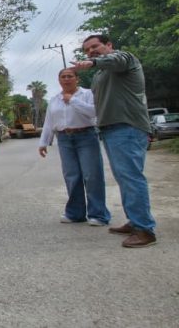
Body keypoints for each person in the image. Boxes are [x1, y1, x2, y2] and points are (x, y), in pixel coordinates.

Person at [72, 35, 157, 248]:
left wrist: (93, 62)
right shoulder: (100, 75)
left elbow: (117, 60)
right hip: (110, 130)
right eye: (87, 50)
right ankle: (135, 221)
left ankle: (144, 230)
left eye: (95, 46)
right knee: (124, 178)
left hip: (127, 127)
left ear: (109, 45)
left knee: (131, 177)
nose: (91, 51)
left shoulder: (125, 59)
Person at [38, 68, 110, 226]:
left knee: (92, 175)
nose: (66, 79)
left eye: (70, 76)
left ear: (77, 79)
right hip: (64, 139)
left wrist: (72, 100)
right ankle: (75, 213)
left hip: (86, 136)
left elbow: (94, 112)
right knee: (72, 176)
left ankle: (98, 214)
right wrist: (44, 142)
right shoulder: (54, 99)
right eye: (63, 77)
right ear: (59, 80)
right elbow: (49, 122)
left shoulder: (87, 94)